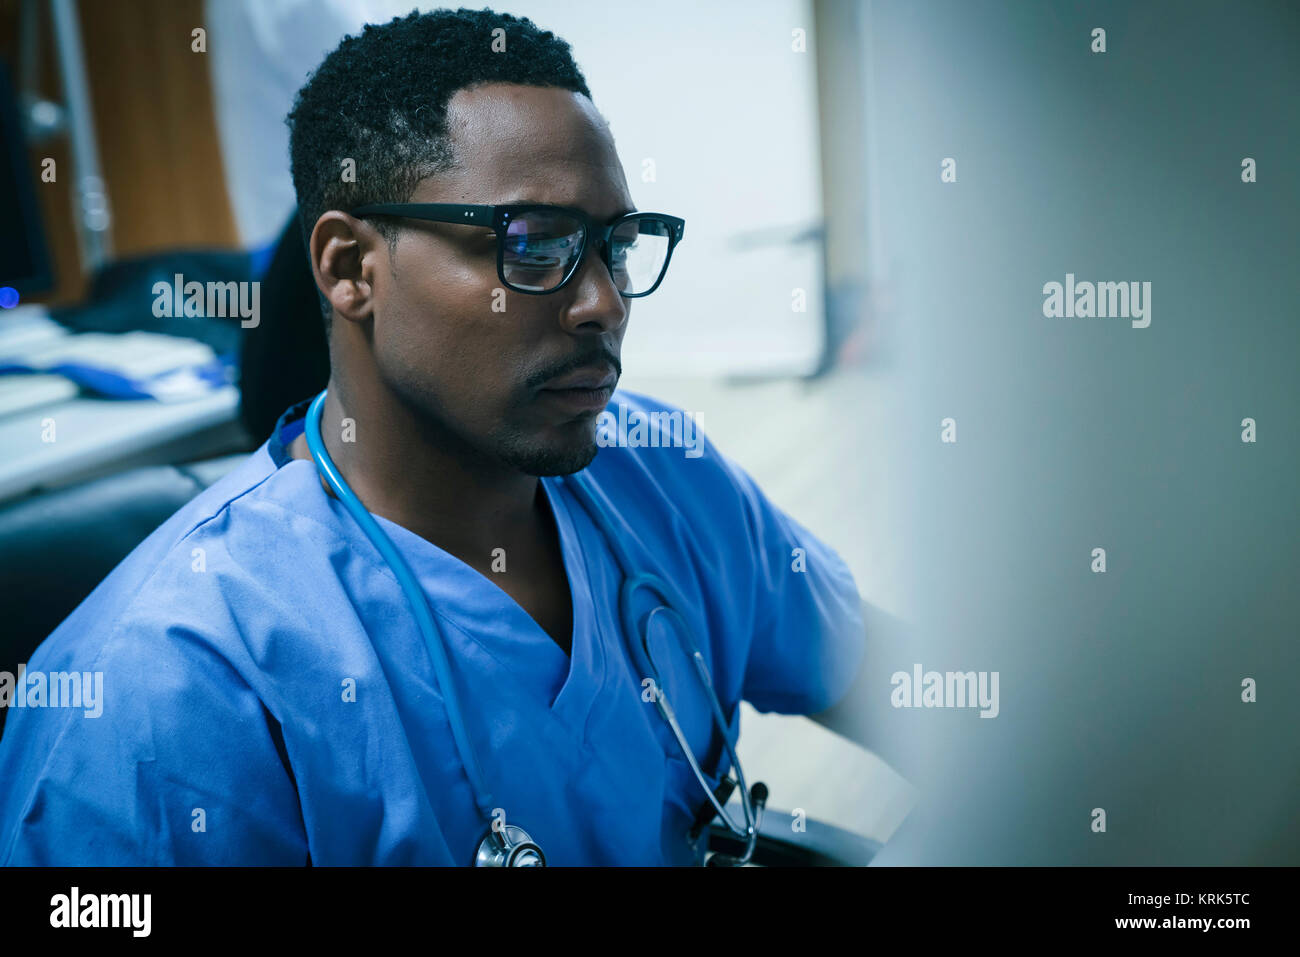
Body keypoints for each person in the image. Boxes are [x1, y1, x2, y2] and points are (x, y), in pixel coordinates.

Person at [0, 7, 878, 866]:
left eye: (617, 245)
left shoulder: (658, 468)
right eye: (534, 244)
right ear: (350, 269)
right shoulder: (164, 689)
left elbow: (887, 677)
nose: (605, 303)